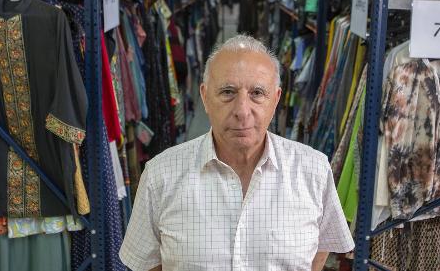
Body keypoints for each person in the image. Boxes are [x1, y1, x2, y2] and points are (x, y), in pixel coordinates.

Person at [119, 34, 355, 271]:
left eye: (257, 93)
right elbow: (147, 263)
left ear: (276, 99)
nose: (242, 111)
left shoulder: (314, 170)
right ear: (204, 97)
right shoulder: (160, 175)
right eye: (228, 92)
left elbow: (321, 249)